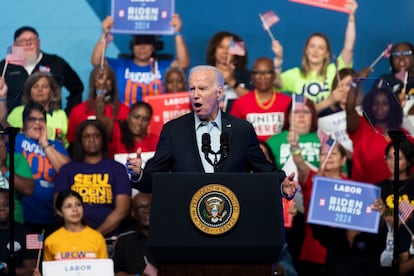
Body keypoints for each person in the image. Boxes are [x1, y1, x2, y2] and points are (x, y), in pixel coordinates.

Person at [127, 65, 298, 199]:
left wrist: (282, 184)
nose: (195, 95)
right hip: (189, 220)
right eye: (192, 88)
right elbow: (152, 180)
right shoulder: (174, 131)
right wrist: (138, 174)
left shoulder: (241, 130)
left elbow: (264, 169)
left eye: (202, 88)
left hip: (232, 219)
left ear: (219, 93)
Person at [288, 130, 384, 274]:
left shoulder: (354, 186)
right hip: (312, 254)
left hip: (342, 256)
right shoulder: (312, 179)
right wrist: (295, 148)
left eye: (333, 153)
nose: (328, 156)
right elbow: (300, 165)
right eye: (324, 153)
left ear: (343, 160)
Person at [272, 0, 358, 113]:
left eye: (321, 48)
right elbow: (274, 83)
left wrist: (351, 19)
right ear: (306, 50)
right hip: (306, 128)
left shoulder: (335, 70)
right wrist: (278, 60)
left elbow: (349, 47)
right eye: (312, 46)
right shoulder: (295, 74)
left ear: (327, 53)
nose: (316, 51)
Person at [91, 14, 190, 106]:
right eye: (138, 43)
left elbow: (183, 63)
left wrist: (177, 33)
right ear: (132, 46)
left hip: (159, 119)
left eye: (147, 43)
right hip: (124, 119)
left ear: (154, 47)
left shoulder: (163, 67)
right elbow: (96, 61)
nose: (142, 47)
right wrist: (105, 33)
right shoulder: (120, 65)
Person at [55, 119, 131, 238]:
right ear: (80, 140)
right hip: (74, 238)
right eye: (86, 136)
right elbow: (58, 206)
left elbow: (123, 209)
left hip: (109, 238)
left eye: (96, 135)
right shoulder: (67, 170)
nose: (91, 140)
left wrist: (95, 236)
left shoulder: (117, 168)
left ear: (103, 139)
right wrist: (81, 235)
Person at [0, 26, 84, 114]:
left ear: (39, 42)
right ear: (15, 46)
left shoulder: (56, 63)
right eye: (23, 41)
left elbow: (77, 88)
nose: (28, 43)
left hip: (51, 124)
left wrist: (68, 114)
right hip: (13, 124)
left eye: (32, 39)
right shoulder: (4, 67)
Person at [15, 101, 69, 235]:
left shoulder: (56, 146)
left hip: (53, 217)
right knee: (33, 255)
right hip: (26, 218)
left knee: (50, 254)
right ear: (23, 125)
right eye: (32, 119)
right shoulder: (17, 140)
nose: (37, 123)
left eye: (41, 120)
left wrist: (44, 143)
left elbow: (67, 172)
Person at [346, 79, 410, 184]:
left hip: (393, 195)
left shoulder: (405, 135)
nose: (379, 107)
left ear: (392, 107)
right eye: (375, 103)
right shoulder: (361, 127)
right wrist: (355, 83)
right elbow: (349, 110)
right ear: (369, 106)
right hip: (363, 192)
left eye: (385, 103)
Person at [32, 190, 108, 276]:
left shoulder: (97, 237)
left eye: (78, 205)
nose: (75, 209)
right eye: (68, 206)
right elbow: (50, 271)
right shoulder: (51, 240)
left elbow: (104, 271)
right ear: (59, 212)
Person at [66, 65, 130, 148]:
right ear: (94, 82)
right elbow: (72, 142)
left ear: (113, 82)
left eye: (108, 79)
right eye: (100, 77)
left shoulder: (125, 111)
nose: (103, 82)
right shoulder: (77, 111)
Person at [229, 57, 291, 141]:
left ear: (274, 75)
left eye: (267, 72)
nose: (262, 76)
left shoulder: (287, 102)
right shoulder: (240, 103)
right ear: (252, 76)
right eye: (257, 73)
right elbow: (233, 133)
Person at [376, 139, 414, 274]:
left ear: (409, 161)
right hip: (385, 254)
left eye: (399, 158)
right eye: (389, 157)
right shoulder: (378, 188)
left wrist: (387, 212)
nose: (393, 162)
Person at [0, 78, 34, 224]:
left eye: (0, 138)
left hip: (15, 227)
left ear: (4, 140)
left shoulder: (18, 159)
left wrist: (3, 167)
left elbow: (28, 190)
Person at [7, 72, 69, 147]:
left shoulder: (60, 114)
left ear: (52, 91)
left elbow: (66, 143)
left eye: (45, 87)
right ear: (29, 91)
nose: (40, 90)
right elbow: (7, 136)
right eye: (35, 86)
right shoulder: (17, 112)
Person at [112, 192, 158, 275]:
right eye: (141, 207)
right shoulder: (124, 240)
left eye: (150, 206)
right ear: (133, 213)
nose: (146, 210)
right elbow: (118, 272)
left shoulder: (168, 237)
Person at [206, 31, 251, 111]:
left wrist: (232, 81)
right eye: (221, 47)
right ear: (214, 50)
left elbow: (254, 103)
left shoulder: (246, 75)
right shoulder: (204, 75)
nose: (225, 51)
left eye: (229, 48)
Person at [0, 188, 37, 276]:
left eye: (6, 205)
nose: (2, 209)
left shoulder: (31, 234)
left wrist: (4, 269)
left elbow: (32, 270)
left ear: (14, 206)